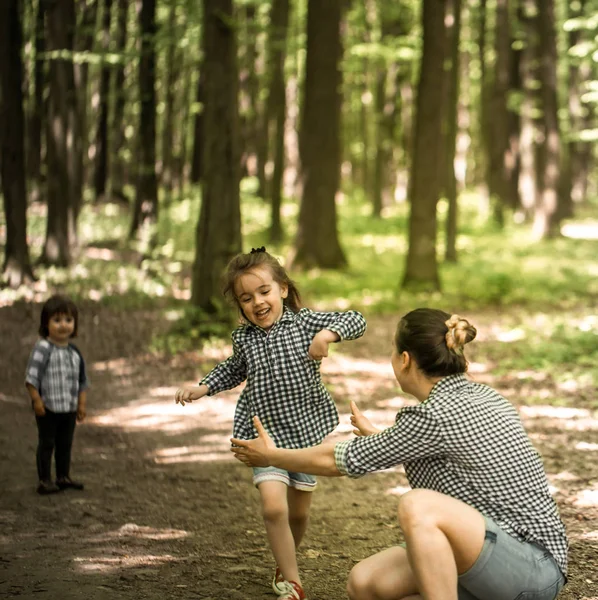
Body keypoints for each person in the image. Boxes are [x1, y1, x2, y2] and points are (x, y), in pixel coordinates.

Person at [231, 308, 568, 600]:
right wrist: (380, 437)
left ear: (405, 360)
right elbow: (445, 449)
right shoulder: (483, 396)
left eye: (393, 352)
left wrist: (272, 455)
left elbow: (335, 460)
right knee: (366, 584)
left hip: (530, 570)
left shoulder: (432, 416)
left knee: (417, 505)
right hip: (488, 558)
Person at [174, 247, 366, 600]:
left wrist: (327, 336)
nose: (257, 303)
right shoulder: (244, 338)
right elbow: (234, 369)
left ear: (283, 290)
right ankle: (293, 583)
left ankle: (284, 558)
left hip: (307, 434)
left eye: (264, 292)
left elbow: (356, 319)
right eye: (246, 298)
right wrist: (203, 387)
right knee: (273, 507)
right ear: (240, 305)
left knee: (298, 513)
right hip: (265, 435)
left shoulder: (305, 322)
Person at [25, 294, 89, 495]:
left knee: (65, 444)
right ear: (46, 323)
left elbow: (82, 381)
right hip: (48, 407)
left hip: (68, 408)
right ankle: (44, 479)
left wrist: (81, 405)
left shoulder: (74, 352)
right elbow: (32, 377)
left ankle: (63, 476)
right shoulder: (43, 349)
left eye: (68, 320)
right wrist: (36, 399)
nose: (63, 325)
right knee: (47, 443)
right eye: (57, 320)